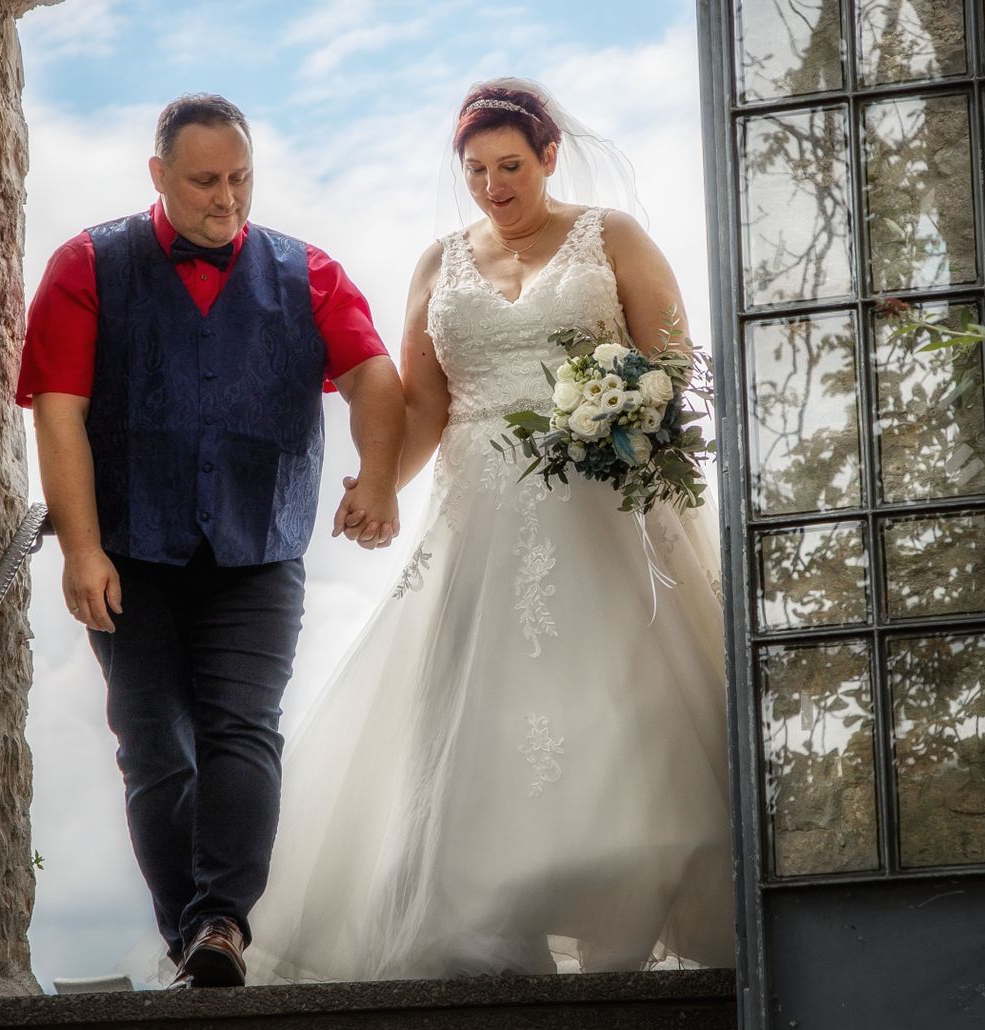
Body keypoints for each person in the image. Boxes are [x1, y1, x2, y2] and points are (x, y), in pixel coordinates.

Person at [245, 78, 734, 981]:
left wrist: (620, 408)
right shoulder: (440, 263)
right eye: (475, 171)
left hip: (601, 502)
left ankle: (623, 916)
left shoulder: (612, 238)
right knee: (480, 712)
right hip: (479, 509)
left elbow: (674, 365)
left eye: (510, 167)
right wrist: (381, 483)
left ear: (549, 156)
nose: (493, 187)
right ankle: (491, 925)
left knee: (612, 708)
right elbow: (429, 403)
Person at [17, 93, 405, 989]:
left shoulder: (307, 272)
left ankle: (221, 924)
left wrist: (378, 477)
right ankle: (189, 932)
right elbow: (59, 415)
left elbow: (375, 378)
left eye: (240, 178)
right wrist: (82, 547)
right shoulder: (86, 264)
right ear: (158, 175)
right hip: (130, 553)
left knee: (242, 729)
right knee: (153, 743)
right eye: (204, 181)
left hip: (257, 548)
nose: (226, 198)